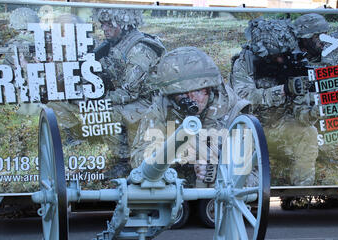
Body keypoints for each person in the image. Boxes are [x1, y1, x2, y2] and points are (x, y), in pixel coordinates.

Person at [131, 46, 250, 187]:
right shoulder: (162, 108)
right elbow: (138, 160)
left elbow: (253, 176)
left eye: (198, 90)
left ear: (209, 88)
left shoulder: (233, 111)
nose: (192, 98)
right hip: (173, 191)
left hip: (217, 198)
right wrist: (181, 155)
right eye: (182, 94)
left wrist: (217, 171)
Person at [230, 18, 318, 186]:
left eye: (283, 55)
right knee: (246, 179)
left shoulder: (293, 63)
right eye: (276, 56)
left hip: (279, 125)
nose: (281, 60)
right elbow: (244, 97)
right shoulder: (245, 62)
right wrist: (284, 90)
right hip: (249, 127)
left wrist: (312, 113)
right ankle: (244, 189)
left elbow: (300, 113)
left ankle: (302, 188)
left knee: (309, 133)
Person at [91, 8, 166, 178]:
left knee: (104, 111)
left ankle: (124, 161)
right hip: (135, 97)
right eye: (102, 24)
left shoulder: (140, 49)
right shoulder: (115, 43)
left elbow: (130, 92)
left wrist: (99, 99)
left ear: (124, 25)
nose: (104, 28)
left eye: (109, 24)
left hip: (152, 102)